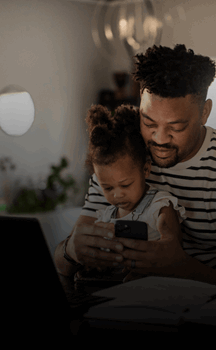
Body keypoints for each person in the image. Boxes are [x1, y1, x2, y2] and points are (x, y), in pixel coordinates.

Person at [54, 44, 216, 291]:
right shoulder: (122, 158)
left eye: (176, 127)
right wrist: (70, 251)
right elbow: (64, 263)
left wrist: (179, 268)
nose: (160, 139)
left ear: (205, 112)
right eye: (148, 122)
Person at [75, 104, 185, 282]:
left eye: (125, 185)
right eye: (108, 188)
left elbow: (172, 249)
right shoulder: (105, 217)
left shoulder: (160, 206)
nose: (117, 195)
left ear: (146, 169)